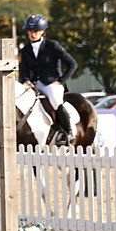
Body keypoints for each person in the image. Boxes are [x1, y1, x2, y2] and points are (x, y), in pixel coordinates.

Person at [18, 14, 78, 142]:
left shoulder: (53, 45)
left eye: (35, 31)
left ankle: (67, 132)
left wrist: (61, 81)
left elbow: (72, 64)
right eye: (30, 31)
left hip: (52, 83)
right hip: (35, 84)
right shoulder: (25, 50)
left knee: (56, 101)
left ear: (43, 31)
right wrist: (26, 80)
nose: (32, 34)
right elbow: (24, 71)